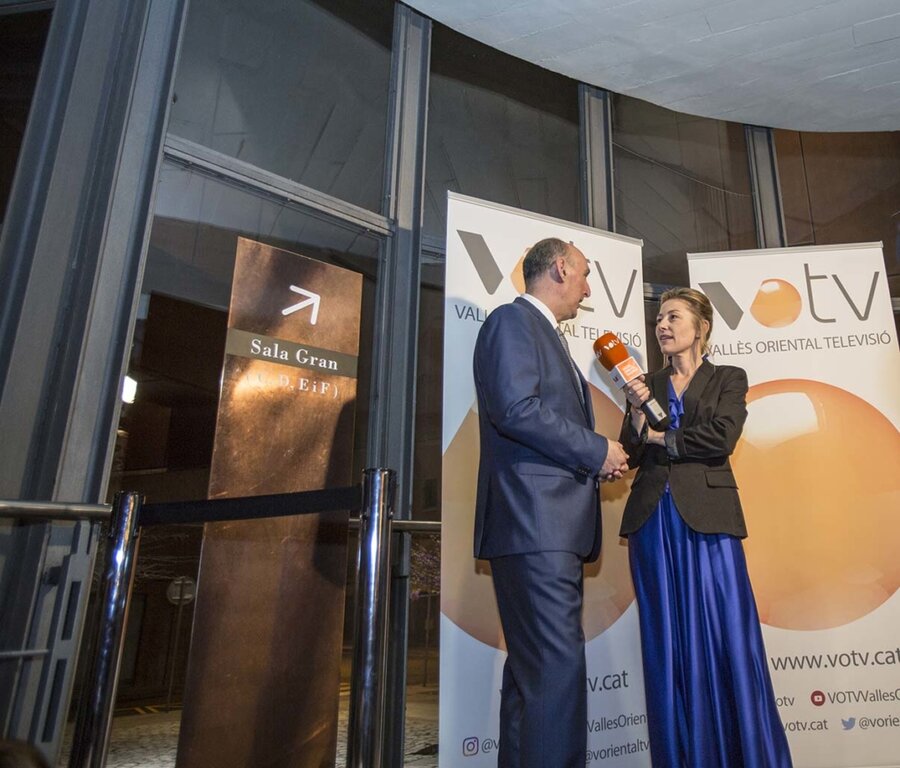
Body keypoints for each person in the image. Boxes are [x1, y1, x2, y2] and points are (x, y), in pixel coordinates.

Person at [619, 287, 793, 768]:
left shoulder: (728, 378)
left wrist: (661, 438)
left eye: (674, 317)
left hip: (710, 521)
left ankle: (745, 754)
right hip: (653, 523)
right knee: (666, 641)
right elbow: (631, 452)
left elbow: (722, 436)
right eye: (659, 318)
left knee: (728, 635)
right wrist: (634, 411)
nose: (662, 326)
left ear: (702, 328)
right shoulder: (646, 383)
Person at [473, 237, 629, 768]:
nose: (587, 290)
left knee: (534, 682)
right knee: (553, 681)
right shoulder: (512, 322)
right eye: (584, 275)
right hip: (535, 525)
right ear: (560, 268)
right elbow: (516, 409)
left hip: (542, 528)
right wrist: (596, 450)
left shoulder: (541, 333)